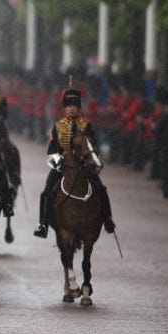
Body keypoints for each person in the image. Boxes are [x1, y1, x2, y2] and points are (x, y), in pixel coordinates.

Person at [34, 88, 116, 238]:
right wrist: (59, 163)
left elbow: (94, 148)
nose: (72, 108)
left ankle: (108, 220)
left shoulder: (86, 126)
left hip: (84, 166)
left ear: (79, 107)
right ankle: (43, 224)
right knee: (46, 192)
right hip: (63, 165)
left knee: (101, 189)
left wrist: (90, 162)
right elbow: (52, 150)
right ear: (65, 107)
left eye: (75, 105)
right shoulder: (58, 126)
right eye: (69, 105)